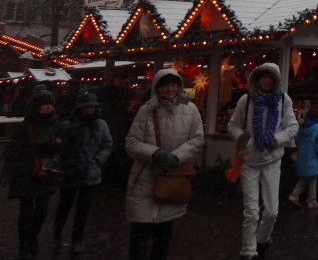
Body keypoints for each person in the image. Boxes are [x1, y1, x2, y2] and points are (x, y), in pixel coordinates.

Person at [125, 69, 204, 260]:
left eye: (173, 85)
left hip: (173, 179)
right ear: (157, 88)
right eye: (165, 85)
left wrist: (176, 157)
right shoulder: (146, 111)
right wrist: (155, 154)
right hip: (145, 179)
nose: (170, 89)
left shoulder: (190, 110)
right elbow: (131, 142)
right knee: (140, 234)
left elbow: (197, 139)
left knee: (164, 235)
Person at [227, 62, 298, 260]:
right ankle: (248, 251)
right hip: (250, 161)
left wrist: (278, 139)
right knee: (251, 211)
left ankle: (261, 239)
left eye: (270, 77)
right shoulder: (246, 100)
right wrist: (242, 137)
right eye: (263, 77)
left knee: (272, 211)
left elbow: (292, 127)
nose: (266, 80)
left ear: (275, 80)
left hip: (272, 161)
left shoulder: (284, 100)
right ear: (257, 79)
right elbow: (232, 126)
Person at [2, 85, 65, 260]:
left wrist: (50, 144)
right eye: (44, 104)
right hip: (25, 172)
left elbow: (61, 146)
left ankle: (32, 237)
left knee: (42, 209)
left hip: (46, 172)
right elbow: (14, 148)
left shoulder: (56, 125)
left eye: (50, 104)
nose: (48, 107)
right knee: (26, 211)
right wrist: (9, 170)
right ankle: (24, 245)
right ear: (37, 105)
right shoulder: (26, 126)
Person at [53, 90, 113, 254]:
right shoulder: (68, 125)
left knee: (83, 209)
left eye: (91, 107)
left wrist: (98, 160)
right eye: (86, 107)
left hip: (90, 172)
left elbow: (107, 145)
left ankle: (77, 239)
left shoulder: (101, 125)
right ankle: (57, 234)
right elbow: (59, 147)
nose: (89, 110)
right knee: (65, 205)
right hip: (71, 171)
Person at [286, 107, 318, 210]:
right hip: (313, 159)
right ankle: (309, 200)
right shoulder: (317, 128)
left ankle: (297, 197)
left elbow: (296, 141)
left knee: (307, 178)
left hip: (302, 158)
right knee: (312, 179)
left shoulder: (302, 128)